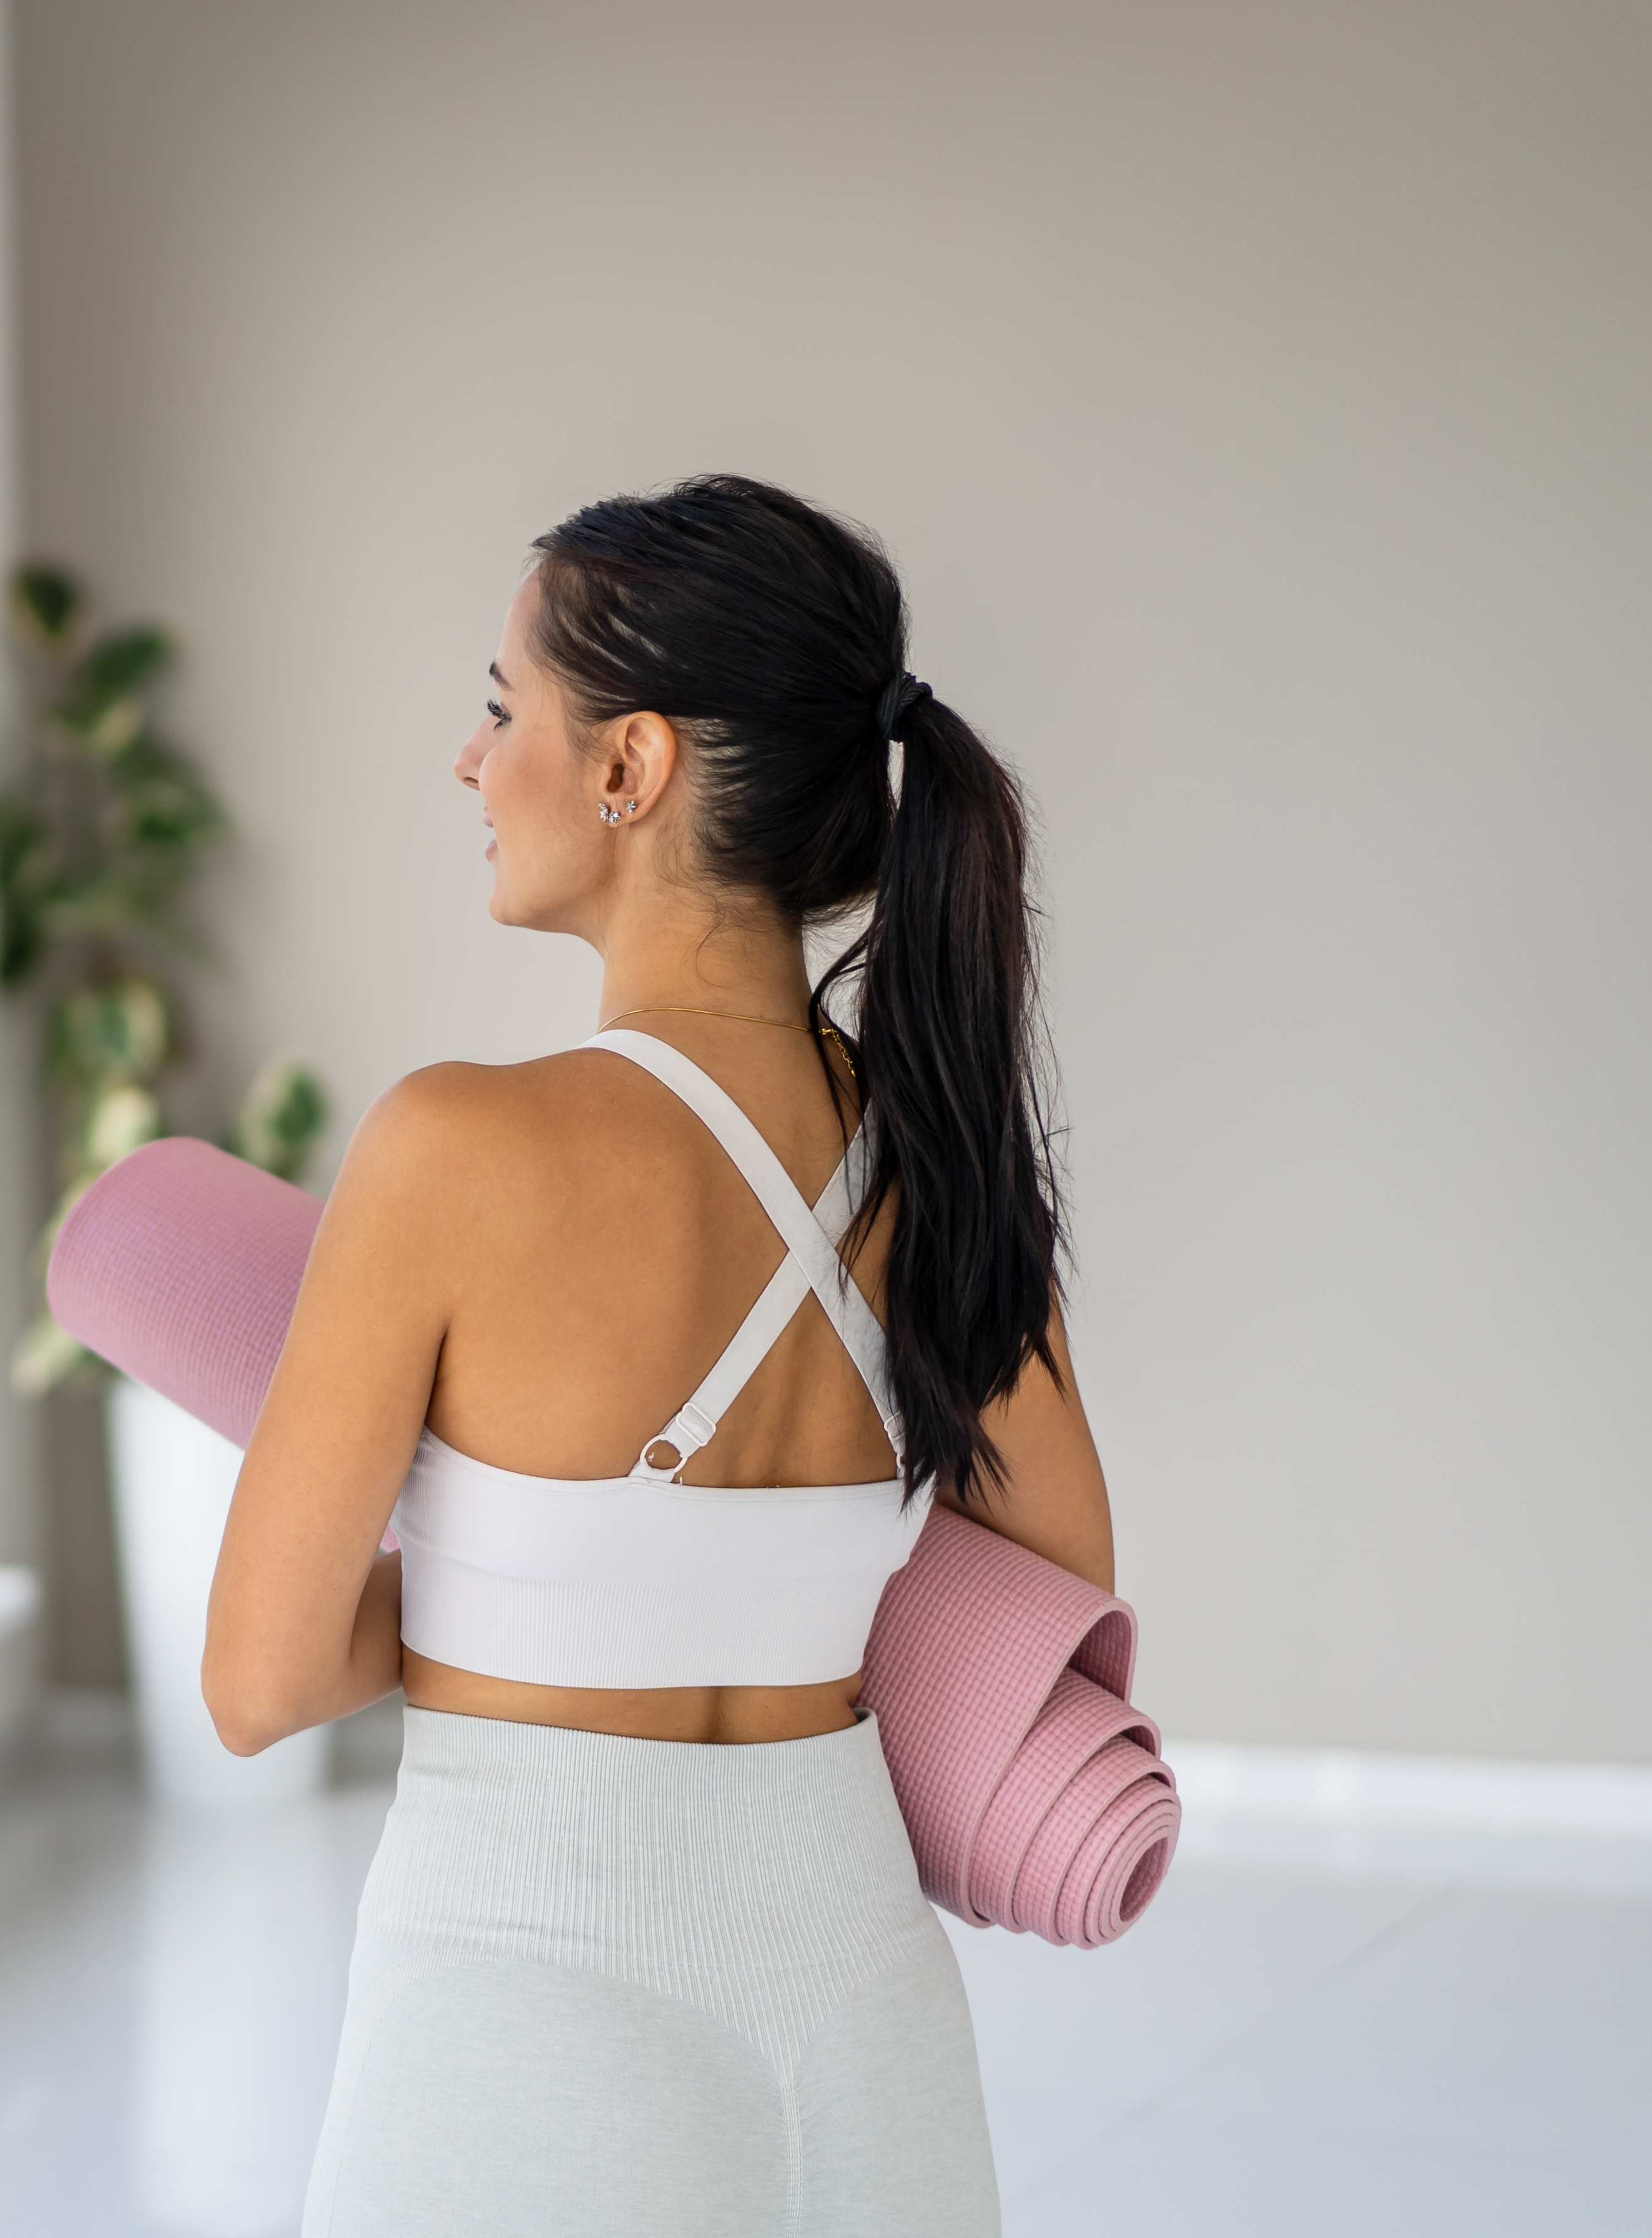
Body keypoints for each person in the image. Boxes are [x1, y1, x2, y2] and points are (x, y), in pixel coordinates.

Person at [202, 475, 1114, 2235]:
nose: (469, 764)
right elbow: (1055, 1571)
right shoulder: (935, 1153)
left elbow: (263, 1678)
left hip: (527, 1986)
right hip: (857, 1988)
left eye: (498, 708)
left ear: (629, 769)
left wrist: (512, 1586)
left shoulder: (453, 1149)